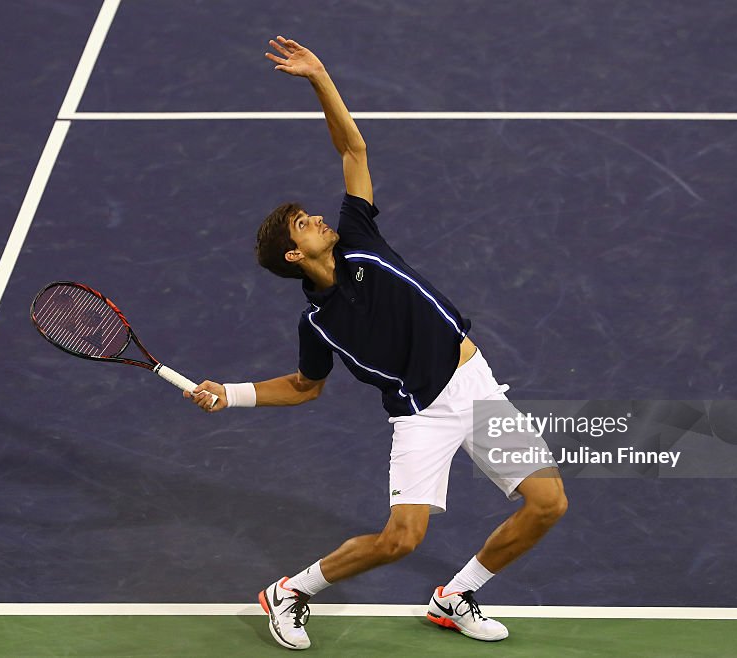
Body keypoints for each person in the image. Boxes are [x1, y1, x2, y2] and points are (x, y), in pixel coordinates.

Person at [185, 35, 568, 651]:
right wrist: (230, 394)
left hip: (473, 381)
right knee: (399, 540)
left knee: (547, 503)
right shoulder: (318, 324)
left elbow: (352, 147)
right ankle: (291, 592)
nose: (315, 219)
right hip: (420, 415)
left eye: (310, 213)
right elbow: (305, 387)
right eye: (301, 224)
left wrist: (318, 76)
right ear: (294, 254)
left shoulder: (359, 235)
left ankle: (456, 596)